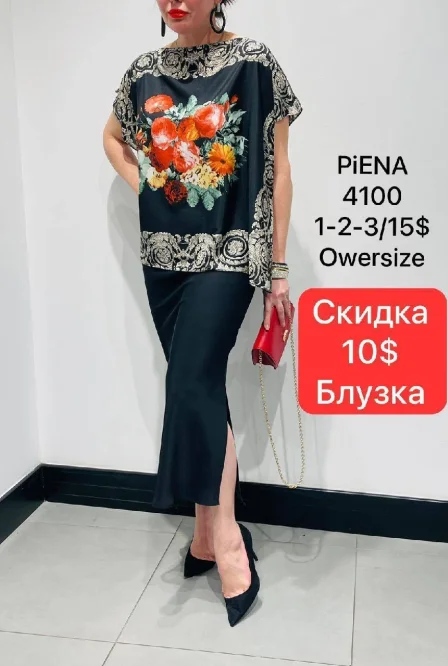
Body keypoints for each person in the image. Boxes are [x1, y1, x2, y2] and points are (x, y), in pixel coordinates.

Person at [102, 0, 302, 627]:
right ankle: (205, 534)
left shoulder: (254, 62)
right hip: (163, 255)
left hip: (231, 251)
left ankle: (228, 540)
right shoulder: (143, 72)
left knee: (190, 381)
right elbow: (111, 137)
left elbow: (279, 168)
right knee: (200, 386)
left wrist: (277, 267)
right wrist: (147, 184)